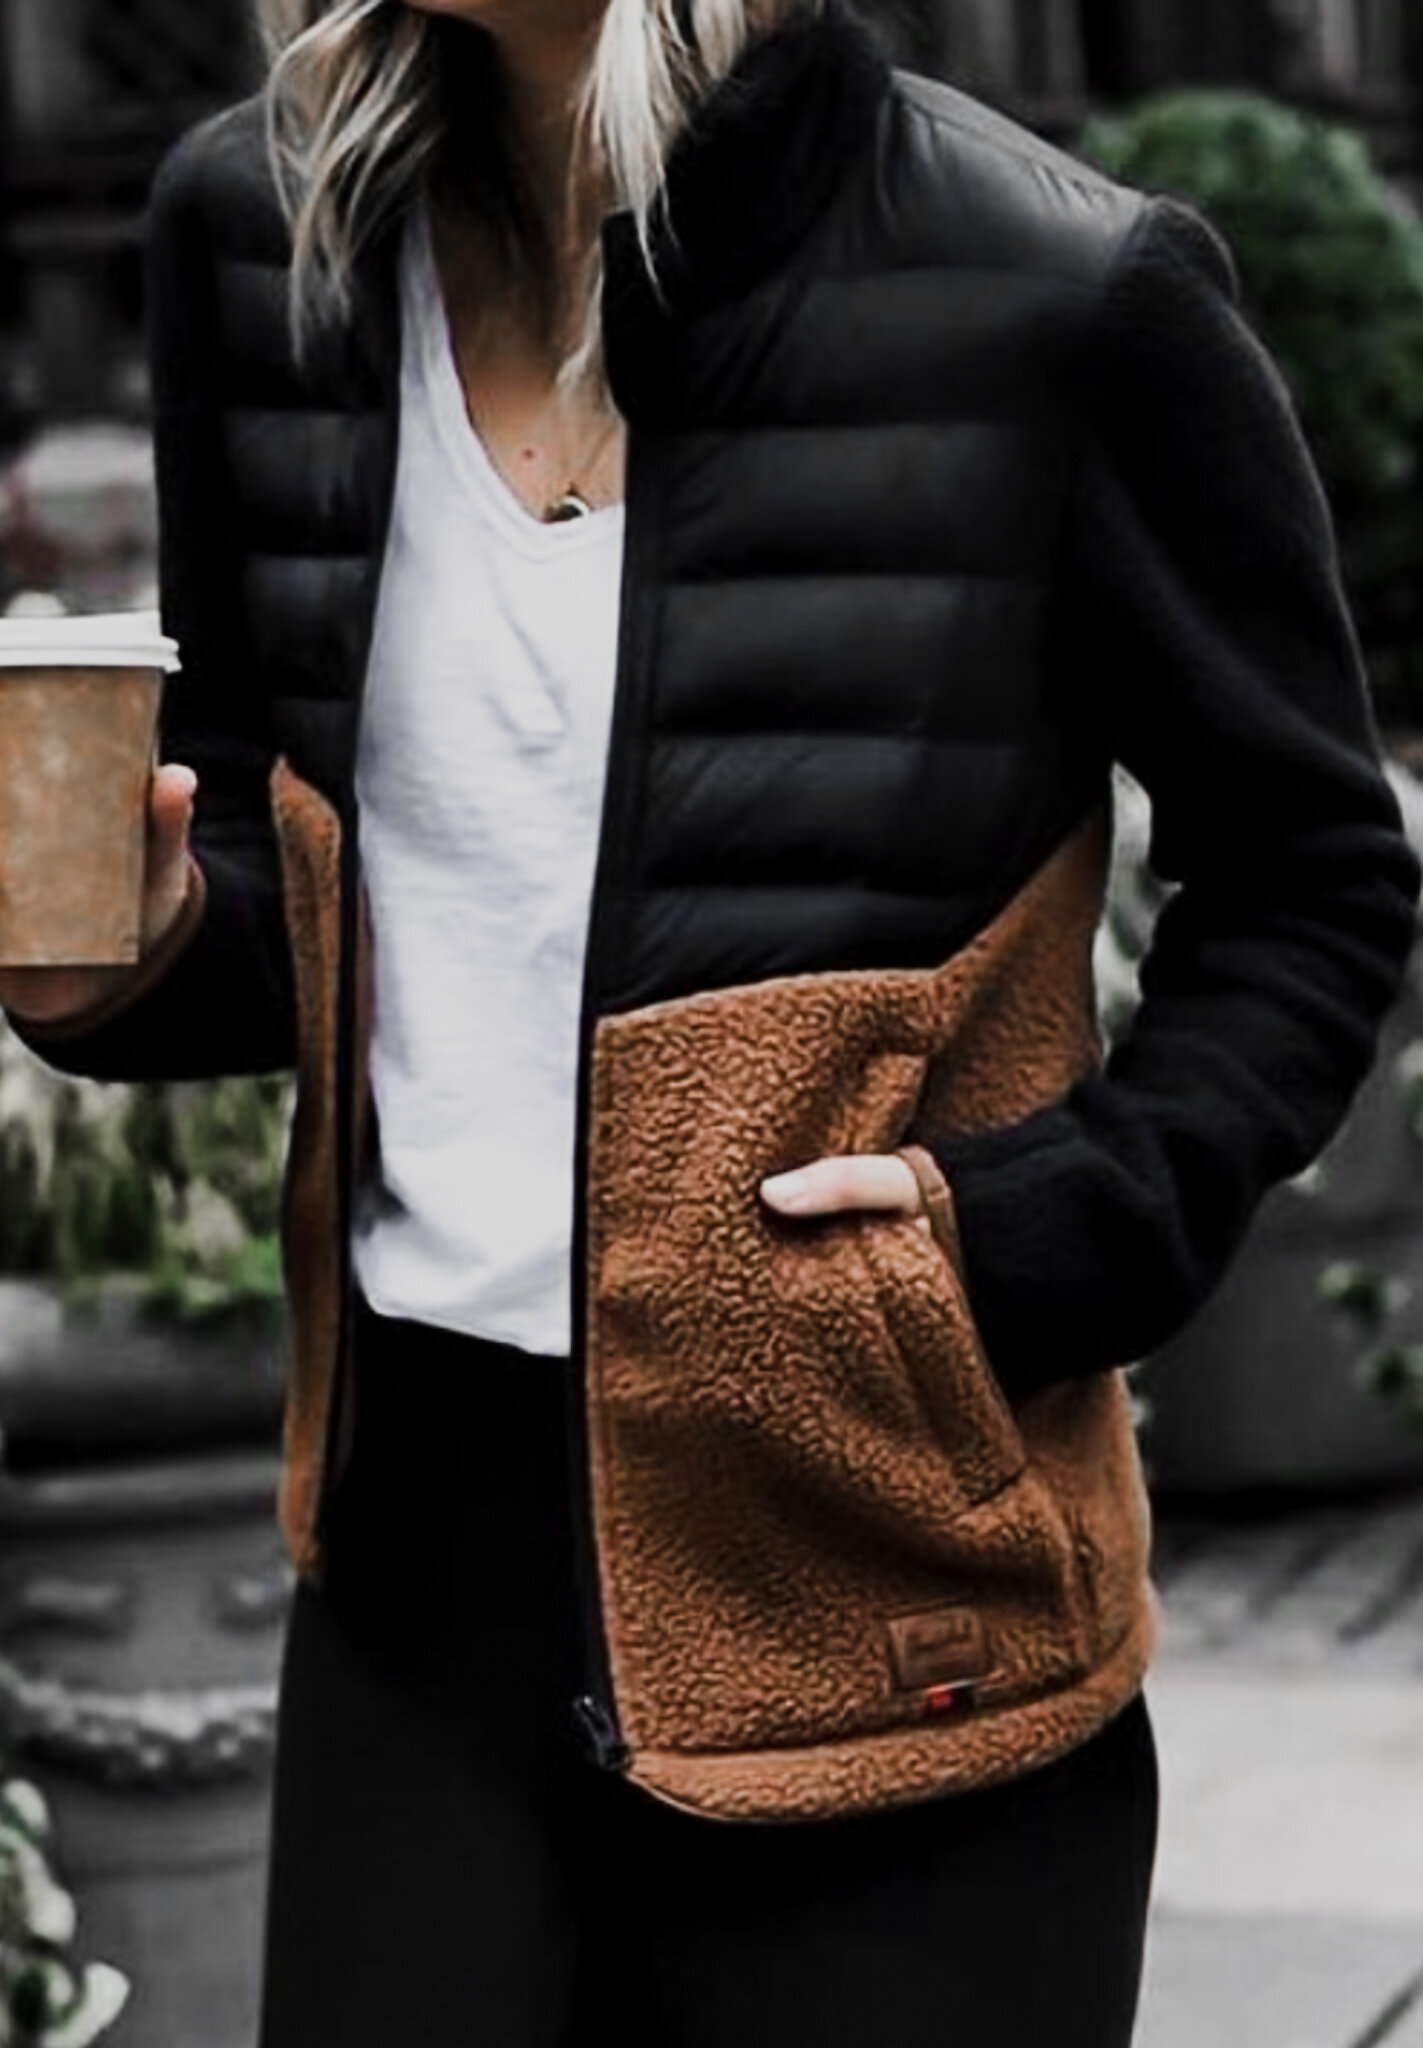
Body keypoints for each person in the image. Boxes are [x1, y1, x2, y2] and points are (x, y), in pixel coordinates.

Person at [2, 0, 1419, 2039]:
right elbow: (298, 868)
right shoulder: (265, 233)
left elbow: (1313, 869)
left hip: (875, 1563)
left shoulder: (1056, 287)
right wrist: (129, 952)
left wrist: (1027, 1247)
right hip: (413, 1569)